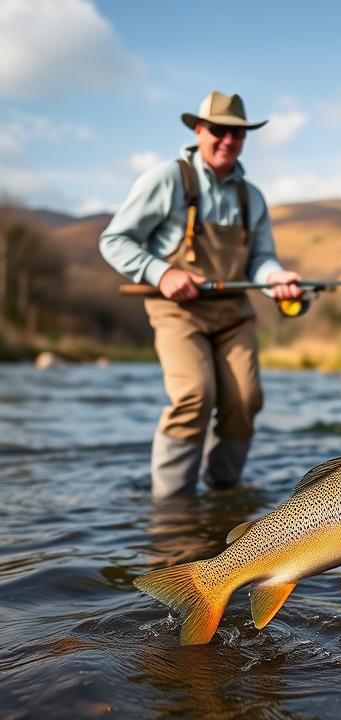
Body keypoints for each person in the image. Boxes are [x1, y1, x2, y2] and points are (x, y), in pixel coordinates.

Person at [99, 90, 302, 500]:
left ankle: (224, 493)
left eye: (238, 134)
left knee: (246, 399)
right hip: (178, 312)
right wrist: (162, 272)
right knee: (194, 394)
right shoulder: (167, 179)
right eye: (219, 130)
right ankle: (171, 505)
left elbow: (260, 259)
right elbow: (114, 240)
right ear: (199, 130)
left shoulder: (253, 197)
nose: (228, 140)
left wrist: (277, 278)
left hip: (234, 315)